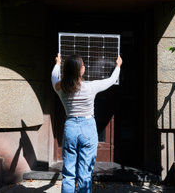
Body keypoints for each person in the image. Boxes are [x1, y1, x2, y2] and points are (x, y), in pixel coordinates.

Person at [51, 53, 122, 193]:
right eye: (83, 65)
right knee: (85, 174)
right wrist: (118, 65)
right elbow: (111, 80)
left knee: (68, 173)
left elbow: (53, 77)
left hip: (70, 126)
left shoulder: (60, 87)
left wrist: (57, 63)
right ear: (80, 70)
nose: (84, 67)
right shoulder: (91, 87)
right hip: (87, 128)